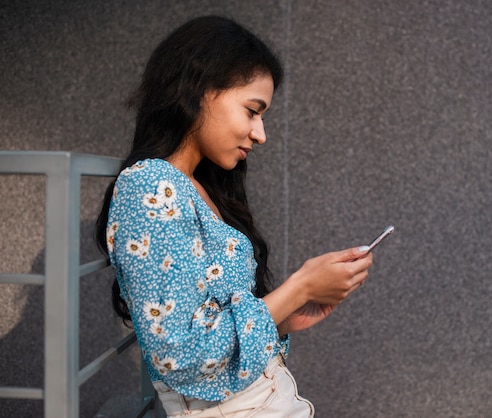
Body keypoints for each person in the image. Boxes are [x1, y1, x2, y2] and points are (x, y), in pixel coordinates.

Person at [96, 15, 373, 418]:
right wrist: (296, 288)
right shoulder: (151, 186)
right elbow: (180, 355)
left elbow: (207, 322)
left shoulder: (196, 186)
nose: (260, 134)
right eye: (252, 110)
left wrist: (282, 318)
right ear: (200, 91)